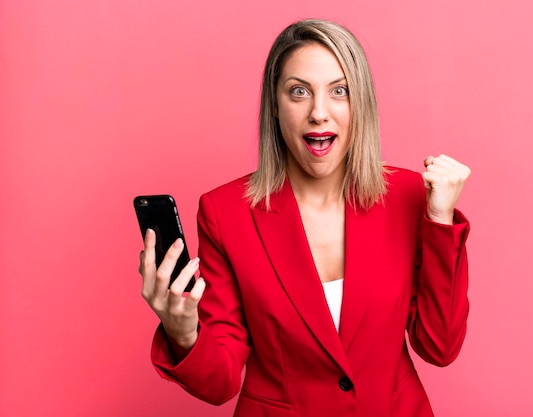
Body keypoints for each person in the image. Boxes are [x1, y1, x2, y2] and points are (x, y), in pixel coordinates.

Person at [139, 18, 471, 417]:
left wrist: (440, 220)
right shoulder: (224, 212)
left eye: (339, 91)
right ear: (275, 107)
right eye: (299, 92)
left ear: (360, 103)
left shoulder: (411, 196)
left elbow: (439, 347)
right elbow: (221, 382)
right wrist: (183, 332)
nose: (319, 112)